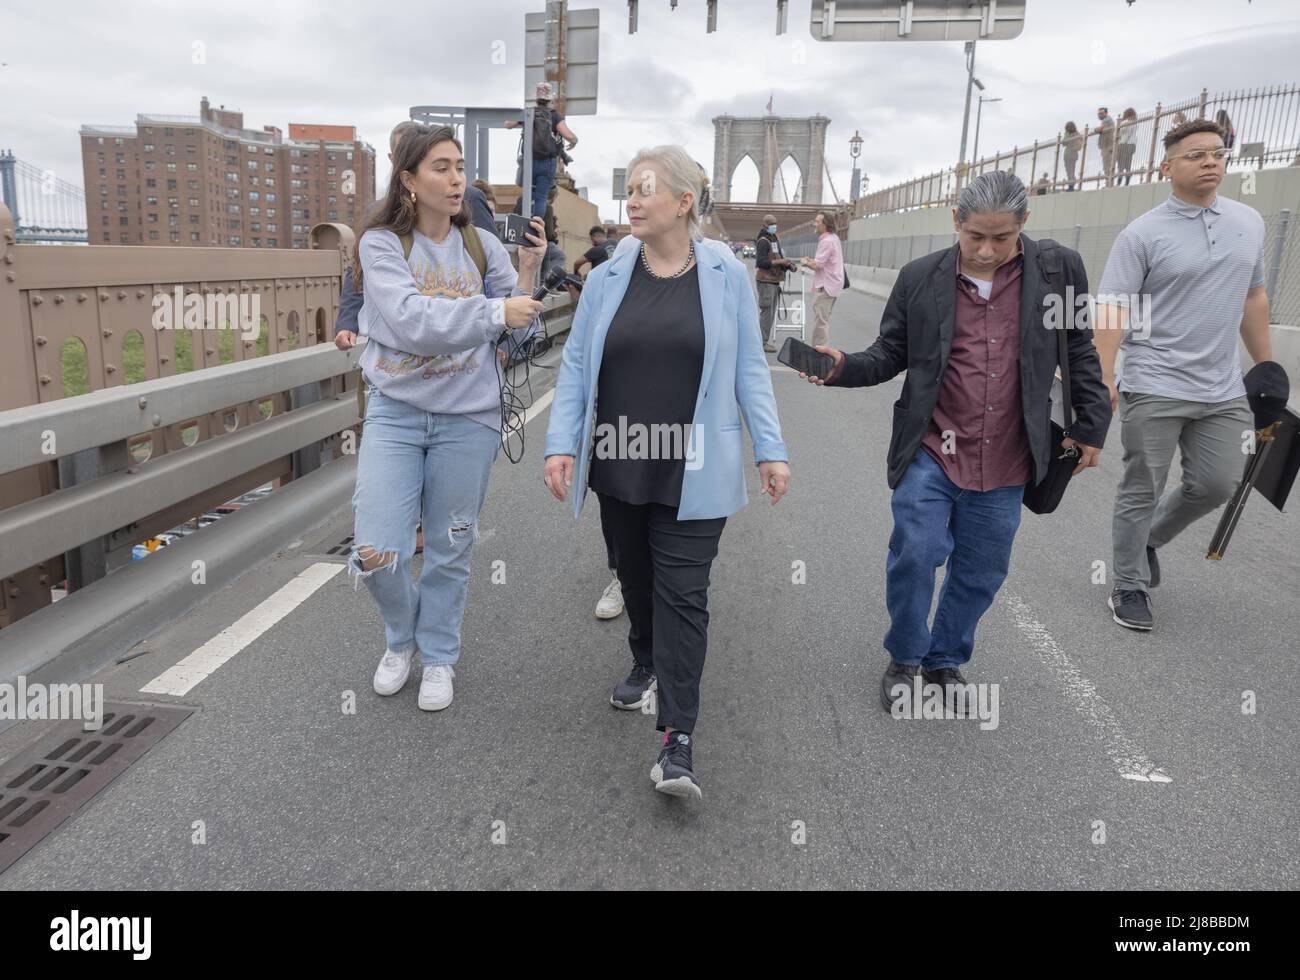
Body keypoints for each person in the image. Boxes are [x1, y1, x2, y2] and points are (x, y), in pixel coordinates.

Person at [797, 171, 1111, 714]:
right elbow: (890, 354)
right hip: (932, 450)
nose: (988, 250)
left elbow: (1079, 347)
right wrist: (843, 366)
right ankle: (905, 656)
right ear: (955, 223)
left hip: (1010, 456)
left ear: (1024, 225)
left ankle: (945, 659)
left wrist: (1092, 424)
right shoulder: (920, 278)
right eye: (976, 237)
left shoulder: (1060, 271)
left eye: (1002, 238)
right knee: (916, 553)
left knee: (983, 569)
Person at [543, 145, 790, 800]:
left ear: (684, 201)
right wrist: (560, 445)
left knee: (685, 593)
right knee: (638, 577)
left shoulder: (726, 275)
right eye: (629, 187)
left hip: (696, 467)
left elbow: (750, 371)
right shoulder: (606, 278)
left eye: (646, 188)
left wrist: (771, 447)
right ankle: (644, 656)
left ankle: (676, 741)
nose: (633, 198)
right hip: (621, 461)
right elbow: (574, 369)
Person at [350, 124, 545, 711]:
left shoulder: (482, 244)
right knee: (376, 549)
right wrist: (494, 310)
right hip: (397, 411)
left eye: (458, 165)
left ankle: (437, 656)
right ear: (408, 179)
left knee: (450, 544)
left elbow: (524, 328)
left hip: (469, 416)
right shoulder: (381, 243)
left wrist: (528, 272)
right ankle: (401, 636)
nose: (456, 178)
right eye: (440, 166)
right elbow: (412, 323)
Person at [1095, 118, 1271, 631]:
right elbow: (1113, 306)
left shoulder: (1249, 222)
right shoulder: (1143, 233)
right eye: (1196, 155)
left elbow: (1254, 294)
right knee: (1141, 485)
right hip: (1154, 381)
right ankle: (1128, 584)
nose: (1211, 161)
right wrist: (1105, 376)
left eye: (1217, 153)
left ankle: (1149, 539)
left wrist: (1266, 365)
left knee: (1217, 484)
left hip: (1222, 386)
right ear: (1167, 166)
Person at [504, 81, 578, 221]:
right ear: (550, 99)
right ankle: (535, 228)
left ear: (536, 98)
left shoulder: (529, 112)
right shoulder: (554, 115)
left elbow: (507, 124)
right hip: (547, 163)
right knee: (541, 197)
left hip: (529, 161)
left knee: (527, 194)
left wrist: (523, 115)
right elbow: (568, 136)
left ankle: (521, 223)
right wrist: (575, 141)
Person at [797, 210, 843, 349]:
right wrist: (811, 261)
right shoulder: (833, 238)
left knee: (820, 323)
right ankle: (820, 351)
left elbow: (818, 265)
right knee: (823, 320)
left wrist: (805, 262)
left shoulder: (827, 241)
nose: (814, 224)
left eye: (817, 221)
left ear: (825, 224)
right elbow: (824, 262)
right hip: (832, 284)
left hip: (825, 286)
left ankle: (819, 353)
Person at [754, 213, 795, 353]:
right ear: (765, 225)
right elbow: (761, 262)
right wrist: (780, 262)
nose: (775, 226)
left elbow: (778, 257)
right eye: (772, 224)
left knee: (770, 313)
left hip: (773, 280)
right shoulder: (763, 241)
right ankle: (761, 342)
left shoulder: (774, 239)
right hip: (766, 281)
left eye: (775, 223)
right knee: (766, 312)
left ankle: (762, 341)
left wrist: (787, 264)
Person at [1116, 108, 1139, 186]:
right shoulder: (1135, 123)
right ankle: (1127, 181)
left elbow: (1122, 134)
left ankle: (1119, 182)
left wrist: (1121, 143)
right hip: (1132, 145)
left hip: (1124, 144)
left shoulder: (1125, 122)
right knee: (1128, 163)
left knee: (1121, 164)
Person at [1096, 107, 1117, 186]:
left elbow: (1100, 129)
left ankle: (1109, 184)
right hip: (1107, 145)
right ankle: (1109, 183)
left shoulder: (1106, 120)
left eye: (1101, 113)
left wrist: (1095, 130)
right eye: (1099, 113)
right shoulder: (1108, 120)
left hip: (1107, 146)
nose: (1099, 115)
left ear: (1106, 113)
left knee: (1107, 165)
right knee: (1108, 165)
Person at [1062, 121, 1084, 192]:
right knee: (1071, 170)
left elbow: (1064, 143)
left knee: (1070, 171)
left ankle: (1071, 186)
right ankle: (1071, 185)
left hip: (1069, 154)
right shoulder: (1077, 134)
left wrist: (1067, 136)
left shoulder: (1071, 135)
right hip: (1073, 155)